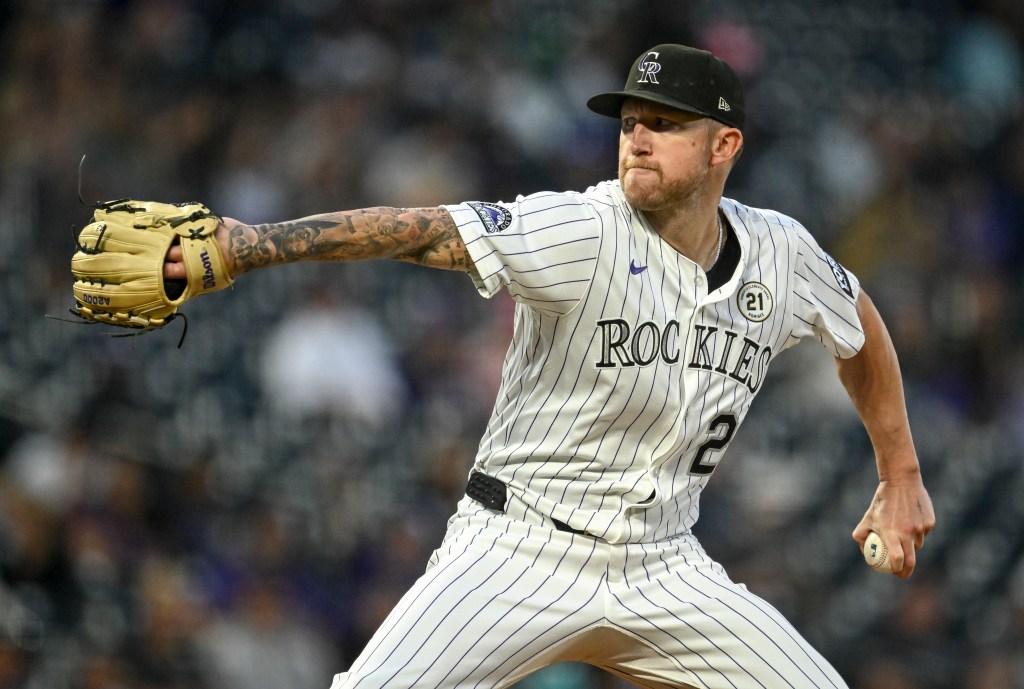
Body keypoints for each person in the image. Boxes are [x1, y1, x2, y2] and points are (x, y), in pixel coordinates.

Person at [165, 44, 935, 689]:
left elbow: (858, 324)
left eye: (664, 124)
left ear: (723, 145)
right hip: (520, 547)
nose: (637, 138)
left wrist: (899, 471)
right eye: (629, 122)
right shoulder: (583, 229)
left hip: (664, 563)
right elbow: (420, 229)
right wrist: (250, 245)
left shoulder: (781, 253)